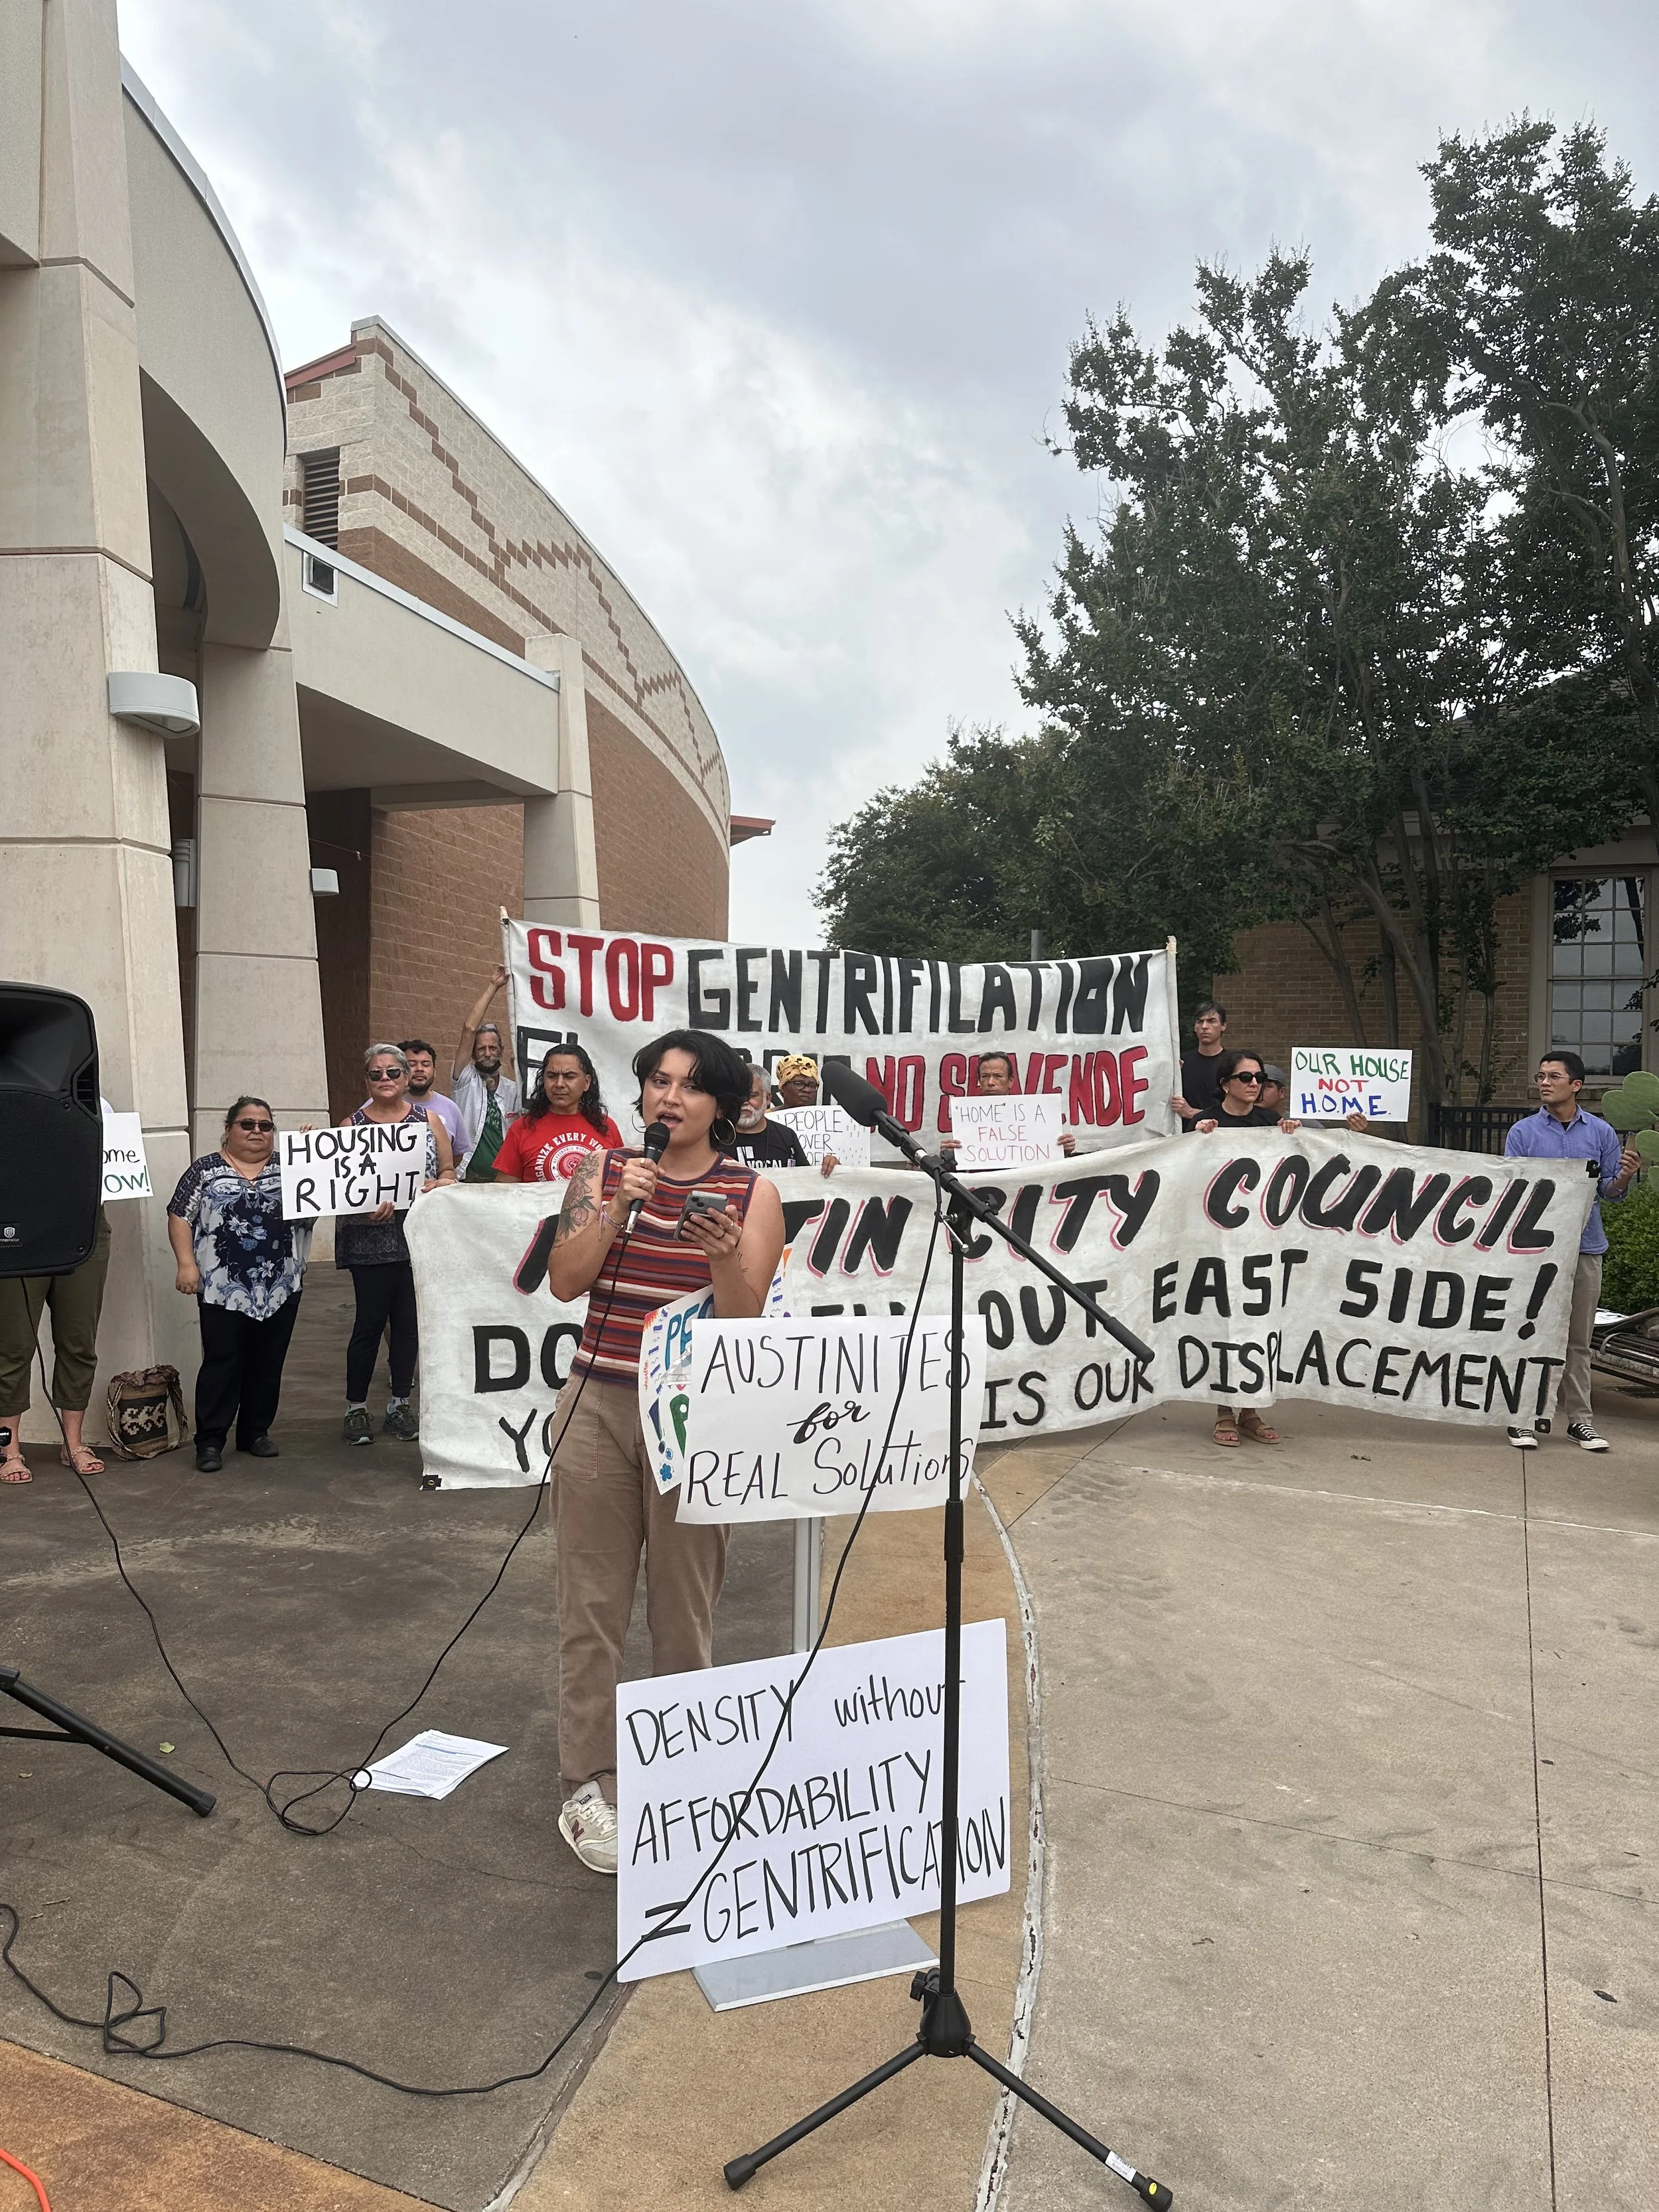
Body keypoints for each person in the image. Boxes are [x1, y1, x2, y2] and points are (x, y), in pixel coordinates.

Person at [543, 1029, 786, 1874]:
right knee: (592, 1609)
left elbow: (745, 1323)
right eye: (656, 1081)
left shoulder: (751, 1192)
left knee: (684, 1610)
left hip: (695, 1418)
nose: (668, 1097)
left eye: (689, 1086)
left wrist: (723, 1263)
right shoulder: (601, 1171)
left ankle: (685, 1774)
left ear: (721, 1105)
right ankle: (588, 1784)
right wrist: (616, 1208)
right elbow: (567, 1281)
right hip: (597, 1407)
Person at [1503, 1052, 1639, 1451]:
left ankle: (1580, 1421)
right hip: (1534, 1252)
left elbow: (1611, 1193)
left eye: (1554, 1077)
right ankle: (1522, 1419)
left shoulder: (1600, 1133)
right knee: (1529, 1334)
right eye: (1540, 1076)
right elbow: (1513, 1189)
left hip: (1584, 1248)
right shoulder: (1523, 1133)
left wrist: (1626, 1176)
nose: (1544, 1083)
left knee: (1578, 1339)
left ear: (1575, 1085)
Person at [165, 1098, 305, 1473]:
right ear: (228, 1129)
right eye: (247, 1124)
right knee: (222, 1362)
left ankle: (255, 1432)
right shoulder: (205, 1171)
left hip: (280, 1285)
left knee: (267, 1362)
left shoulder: (290, 1167)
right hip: (220, 1287)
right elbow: (180, 1215)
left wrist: (313, 1158)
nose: (257, 1131)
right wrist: (186, 1263)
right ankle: (210, 1441)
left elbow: (319, 1201)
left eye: (265, 1125)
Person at [337, 1043, 456, 1447]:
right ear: (366, 1080)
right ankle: (356, 1408)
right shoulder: (350, 1126)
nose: (385, 1080)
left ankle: (400, 1403)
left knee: (408, 1326)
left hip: (417, 1237)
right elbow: (336, 1188)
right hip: (368, 1239)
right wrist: (364, 1208)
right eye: (376, 1074)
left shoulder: (431, 1120)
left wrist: (440, 1183)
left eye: (392, 1072)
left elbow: (448, 1170)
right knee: (369, 1324)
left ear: (407, 1077)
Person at [1192, 1052, 1298, 1447]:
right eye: (1247, 1077)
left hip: (1261, 1243)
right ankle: (1223, 1410)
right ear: (1226, 1084)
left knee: (1258, 1321)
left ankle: (1251, 1410)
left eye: (1260, 1078)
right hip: (1215, 1242)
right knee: (1222, 1320)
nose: (1256, 1084)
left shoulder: (1272, 1124)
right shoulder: (1204, 1122)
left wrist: (1293, 1134)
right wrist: (1196, 1137)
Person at [0, 1205, 113, 1484]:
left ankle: (73, 1444)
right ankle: (8, 1450)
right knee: (13, 1347)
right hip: (17, 1225)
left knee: (79, 1343)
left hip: (82, 1224)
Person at [492, 1043, 623, 1182]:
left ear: (586, 1082)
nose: (559, 1084)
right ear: (543, 1080)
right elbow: (504, 1194)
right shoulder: (521, 1129)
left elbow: (621, 1184)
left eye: (569, 1077)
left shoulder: (607, 1127)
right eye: (552, 1076)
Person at [942, 1048, 1078, 1158]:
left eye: (998, 1076)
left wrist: (1064, 1149)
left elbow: (1047, 1157)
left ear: (1010, 1081)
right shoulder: (967, 1117)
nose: (990, 1082)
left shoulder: (1032, 1114)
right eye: (985, 1076)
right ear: (979, 1081)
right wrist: (947, 1154)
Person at [452, 966, 522, 1181]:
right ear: (473, 1053)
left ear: (501, 1050)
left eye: (493, 1048)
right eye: (481, 1049)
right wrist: (493, 987)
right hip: (468, 1177)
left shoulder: (513, 1090)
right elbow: (469, 1029)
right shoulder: (464, 1080)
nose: (488, 1054)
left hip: (504, 1180)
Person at [398, 1039, 465, 1155]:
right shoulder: (377, 1105)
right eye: (412, 1064)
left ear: (434, 1071)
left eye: (426, 1064)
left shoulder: (450, 1108)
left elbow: (457, 1155)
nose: (419, 1069)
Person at [1171, 1001, 1229, 1130]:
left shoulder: (1232, 1064)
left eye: (1211, 1021)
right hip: (1185, 1137)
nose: (1204, 1026)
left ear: (1223, 1026)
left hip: (1220, 1137)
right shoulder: (1181, 1063)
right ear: (1195, 1027)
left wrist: (1191, 1112)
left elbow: (1236, 1112)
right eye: (1200, 1021)